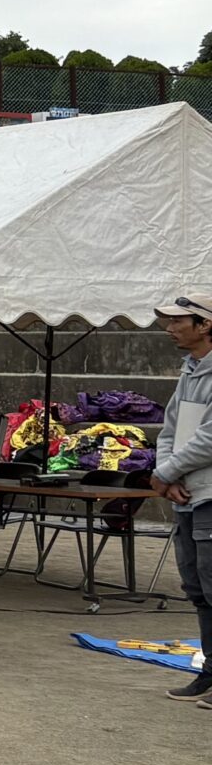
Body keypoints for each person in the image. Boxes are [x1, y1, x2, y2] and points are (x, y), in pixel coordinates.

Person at [149, 290, 212, 703]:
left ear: (205, 325)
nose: (170, 328)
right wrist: (167, 474)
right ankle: (210, 670)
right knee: (196, 586)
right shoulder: (190, 370)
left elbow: (209, 438)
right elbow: (169, 430)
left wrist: (167, 472)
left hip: (206, 495)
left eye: (178, 321)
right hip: (187, 494)